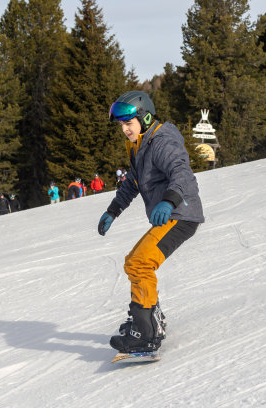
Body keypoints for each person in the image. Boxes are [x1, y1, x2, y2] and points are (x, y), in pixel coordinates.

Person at [99, 91, 204, 354]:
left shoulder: (162, 142)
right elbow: (134, 180)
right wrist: (113, 209)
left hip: (180, 214)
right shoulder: (140, 145)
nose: (124, 130)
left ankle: (145, 333)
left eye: (128, 123)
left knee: (140, 262)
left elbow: (182, 173)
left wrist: (169, 201)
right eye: (121, 125)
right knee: (133, 261)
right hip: (170, 214)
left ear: (145, 118)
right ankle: (148, 316)